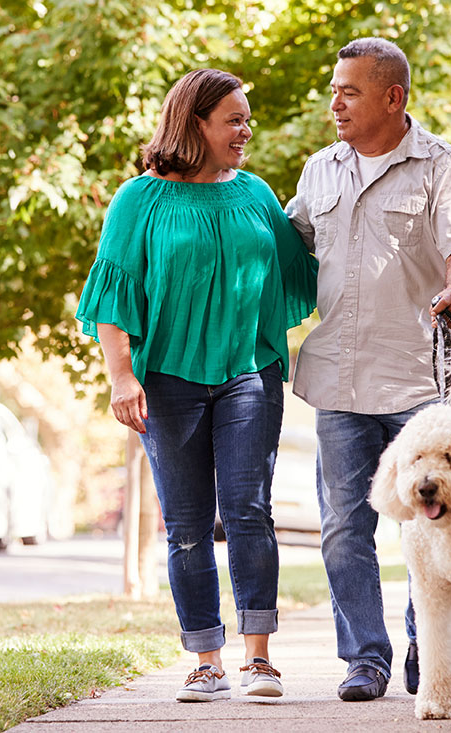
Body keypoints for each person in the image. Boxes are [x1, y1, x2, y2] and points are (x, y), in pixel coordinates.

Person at [76, 68, 318, 703]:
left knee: (248, 510)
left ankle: (259, 657)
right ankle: (206, 658)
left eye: (246, 118)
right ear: (196, 125)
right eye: (234, 119)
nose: (246, 129)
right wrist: (121, 374)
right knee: (185, 524)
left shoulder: (257, 195)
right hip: (167, 383)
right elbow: (112, 293)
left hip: (248, 374)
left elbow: (306, 265)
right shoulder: (140, 200)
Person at [286, 37, 451, 702]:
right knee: (344, 522)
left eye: (348, 90)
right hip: (339, 379)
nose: (335, 102)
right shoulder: (320, 170)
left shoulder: (445, 167)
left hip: (419, 381)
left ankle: (422, 649)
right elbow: (287, 244)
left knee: (426, 521)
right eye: (334, 89)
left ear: (393, 97)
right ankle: (364, 657)